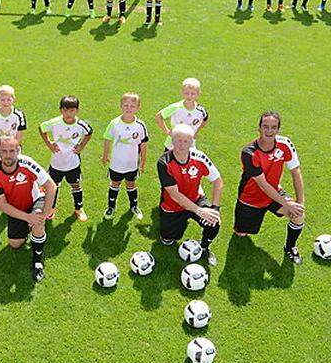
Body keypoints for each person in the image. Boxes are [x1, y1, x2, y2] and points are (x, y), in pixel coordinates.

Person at [233, 112, 305, 264]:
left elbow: (295, 171)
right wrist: (287, 203)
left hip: (274, 193)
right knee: (241, 234)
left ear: (278, 129)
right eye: (265, 126)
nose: (269, 130)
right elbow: (263, 185)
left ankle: (290, 247)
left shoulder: (285, 144)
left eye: (273, 127)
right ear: (259, 128)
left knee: (298, 215)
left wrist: (300, 202)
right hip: (250, 198)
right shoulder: (249, 153)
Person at [0, 134, 56, 282]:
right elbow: (1, 204)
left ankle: (37, 262)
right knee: (15, 244)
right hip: (16, 208)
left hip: (35, 200)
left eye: (12, 151)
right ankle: (30, 227)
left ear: (18, 150)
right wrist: (27, 218)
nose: (8, 155)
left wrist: (43, 215)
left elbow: (51, 186)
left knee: (38, 222)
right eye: (4, 151)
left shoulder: (27, 164)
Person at [157, 124, 223, 266]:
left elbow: (217, 181)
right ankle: (173, 230)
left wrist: (214, 208)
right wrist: (199, 211)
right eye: (178, 140)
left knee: (214, 221)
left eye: (186, 141)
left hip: (196, 199)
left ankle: (205, 247)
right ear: (172, 141)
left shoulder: (200, 157)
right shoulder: (164, 162)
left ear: (192, 142)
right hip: (172, 205)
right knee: (167, 239)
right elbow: (174, 194)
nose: (181, 144)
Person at [39, 96, 93, 222]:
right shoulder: (55, 122)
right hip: (56, 163)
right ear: (60, 110)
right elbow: (42, 128)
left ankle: (79, 209)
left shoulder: (81, 125)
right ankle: (51, 210)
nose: (68, 114)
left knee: (75, 185)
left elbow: (89, 132)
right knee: (53, 186)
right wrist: (49, 143)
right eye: (65, 110)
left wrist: (81, 146)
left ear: (77, 111)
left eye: (72, 111)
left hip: (73, 163)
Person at [100, 92, 149, 219]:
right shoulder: (114, 123)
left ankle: (134, 206)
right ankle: (111, 207)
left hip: (132, 164)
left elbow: (143, 144)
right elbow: (107, 139)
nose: (129, 108)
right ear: (121, 106)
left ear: (138, 108)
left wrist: (143, 161)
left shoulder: (140, 125)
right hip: (116, 164)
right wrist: (105, 156)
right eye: (126, 105)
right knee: (114, 183)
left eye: (132, 106)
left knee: (131, 184)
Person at [155, 78, 208, 149]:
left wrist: (196, 132)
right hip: (172, 145)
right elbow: (159, 116)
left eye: (193, 94)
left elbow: (205, 118)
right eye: (187, 93)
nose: (189, 96)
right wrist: (167, 131)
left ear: (198, 94)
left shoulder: (201, 111)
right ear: (182, 92)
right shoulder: (176, 107)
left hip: (190, 145)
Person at [0, 85, 27, 155]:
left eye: (9, 100)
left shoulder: (19, 115)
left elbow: (20, 133)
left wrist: (13, 148)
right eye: (2, 100)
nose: (6, 102)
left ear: (14, 99)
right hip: (0, 151)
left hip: (15, 150)